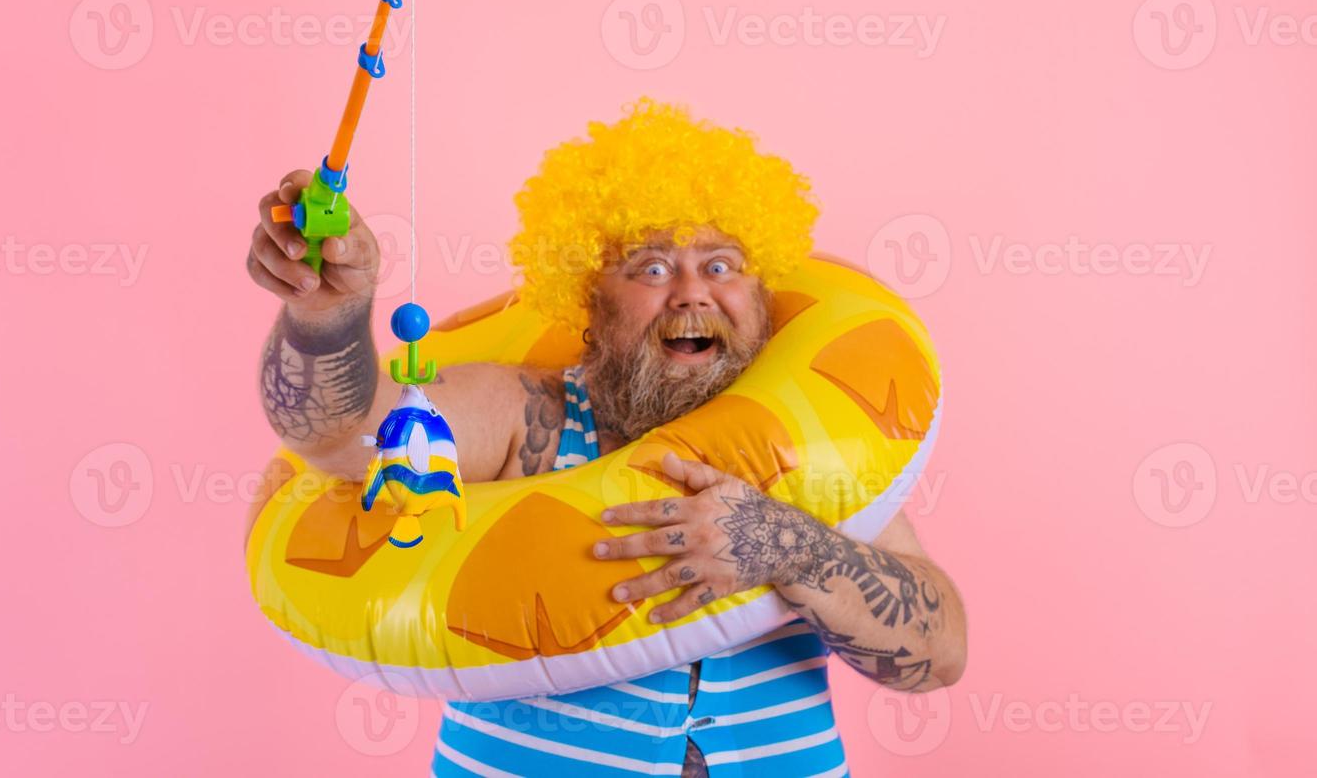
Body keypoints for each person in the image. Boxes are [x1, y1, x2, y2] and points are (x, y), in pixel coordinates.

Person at [248, 99, 967, 776]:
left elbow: (938, 658)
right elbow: (349, 439)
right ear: (587, 301)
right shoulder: (531, 417)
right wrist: (326, 319)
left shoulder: (810, 445)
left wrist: (784, 544)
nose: (691, 291)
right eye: (652, 267)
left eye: (721, 265)